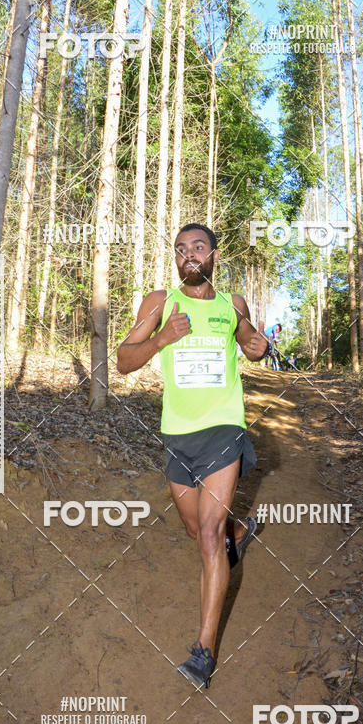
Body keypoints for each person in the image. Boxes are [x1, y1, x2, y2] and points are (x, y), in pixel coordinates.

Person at [117, 223, 268, 689]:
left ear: (214, 256)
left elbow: (251, 344)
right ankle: (239, 532)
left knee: (206, 534)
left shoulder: (232, 304)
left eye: (198, 247)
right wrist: (162, 339)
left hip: (224, 427)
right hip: (178, 434)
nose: (189, 255)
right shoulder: (159, 302)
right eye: (181, 249)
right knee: (194, 528)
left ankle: (203, 651)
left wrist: (259, 347)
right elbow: (123, 360)